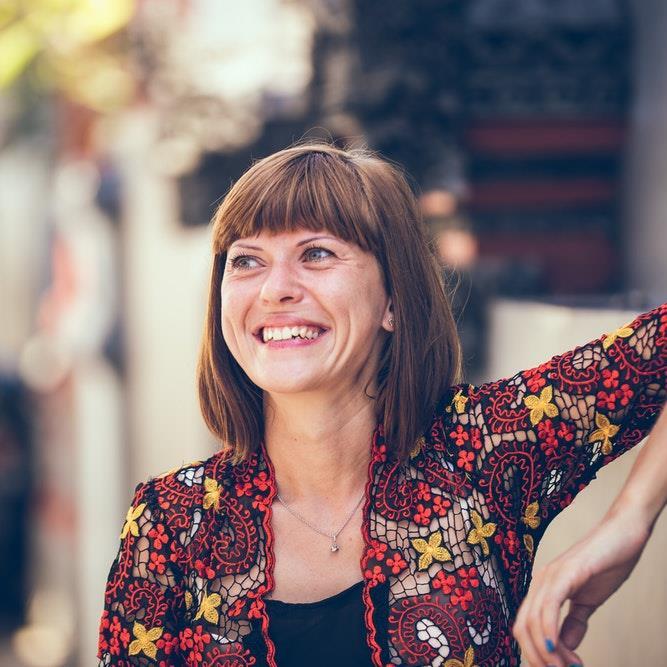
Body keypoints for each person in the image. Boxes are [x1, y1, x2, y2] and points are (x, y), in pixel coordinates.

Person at [96, 143, 666, 667]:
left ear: (392, 299)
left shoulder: (484, 449)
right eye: (246, 260)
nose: (274, 289)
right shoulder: (172, 522)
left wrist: (631, 519)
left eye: (316, 253)